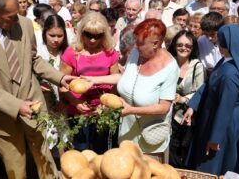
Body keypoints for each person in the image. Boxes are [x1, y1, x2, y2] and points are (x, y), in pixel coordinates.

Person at [0, 0, 75, 179]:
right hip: (3, 116)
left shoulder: (25, 25)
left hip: (34, 108)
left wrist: (59, 77)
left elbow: (33, 59)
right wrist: (17, 106)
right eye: (11, 16)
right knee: (15, 168)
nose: (17, 20)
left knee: (45, 161)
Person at [86, 19, 179, 163]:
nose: (136, 46)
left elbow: (164, 107)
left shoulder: (170, 68)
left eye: (140, 43)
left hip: (150, 140)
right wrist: (94, 80)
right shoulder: (136, 53)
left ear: (156, 43)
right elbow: (124, 78)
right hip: (127, 134)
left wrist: (131, 110)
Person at [182, 24, 239, 175]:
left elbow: (225, 108)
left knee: (214, 166)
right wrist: (193, 105)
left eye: (219, 40)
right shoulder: (226, 61)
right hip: (214, 119)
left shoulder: (230, 75)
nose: (216, 42)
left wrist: (215, 138)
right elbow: (208, 85)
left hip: (222, 125)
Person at [59, 11, 119, 154]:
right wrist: (75, 103)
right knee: (81, 151)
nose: (92, 40)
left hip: (102, 111)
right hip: (78, 110)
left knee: (101, 152)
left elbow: (116, 81)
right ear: (81, 33)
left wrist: (107, 105)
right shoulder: (72, 53)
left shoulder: (110, 53)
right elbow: (62, 84)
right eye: (88, 35)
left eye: (97, 36)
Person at [167, 30, 205, 168]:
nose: (184, 48)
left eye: (188, 46)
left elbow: (199, 91)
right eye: (180, 45)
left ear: (193, 47)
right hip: (164, 114)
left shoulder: (197, 66)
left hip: (183, 118)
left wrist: (183, 99)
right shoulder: (168, 62)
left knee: (177, 152)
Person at [41, 14, 68, 111]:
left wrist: (65, 100)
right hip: (43, 103)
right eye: (52, 35)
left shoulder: (67, 53)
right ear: (44, 33)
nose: (56, 40)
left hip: (64, 105)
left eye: (60, 36)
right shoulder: (38, 52)